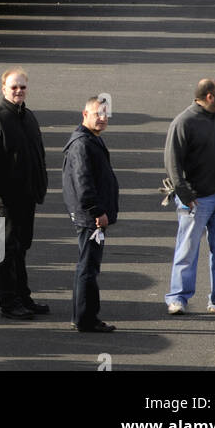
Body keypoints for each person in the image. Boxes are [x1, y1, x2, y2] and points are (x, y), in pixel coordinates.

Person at [164, 79, 215, 315]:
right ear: (209, 96)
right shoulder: (184, 122)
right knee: (187, 250)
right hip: (196, 200)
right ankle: (177, 298)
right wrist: (185, 194)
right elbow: (173, 163)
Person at [0, 67, 50, 319]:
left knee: (21, 248)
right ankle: (9, 303)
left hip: (27, 197)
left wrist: (41, 186)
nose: (19, 91)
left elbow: (38, 154)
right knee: (6, 251)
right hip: (5, 200)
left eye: (23, 87)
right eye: (14, 87)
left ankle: (23, 297)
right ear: (4, 89)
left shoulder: (28, 116)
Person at [62, 96, 120, 333]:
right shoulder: (82, 144)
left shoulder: (91, 139)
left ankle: (84, 317)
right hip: (91, 218)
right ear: (85, 114)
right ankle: (86, 319)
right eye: (98, 114)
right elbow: (83, 182)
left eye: (106, 114)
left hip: (91, 216)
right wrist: (97, 211)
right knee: (88, 267)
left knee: (87, 267)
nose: (103, 118)